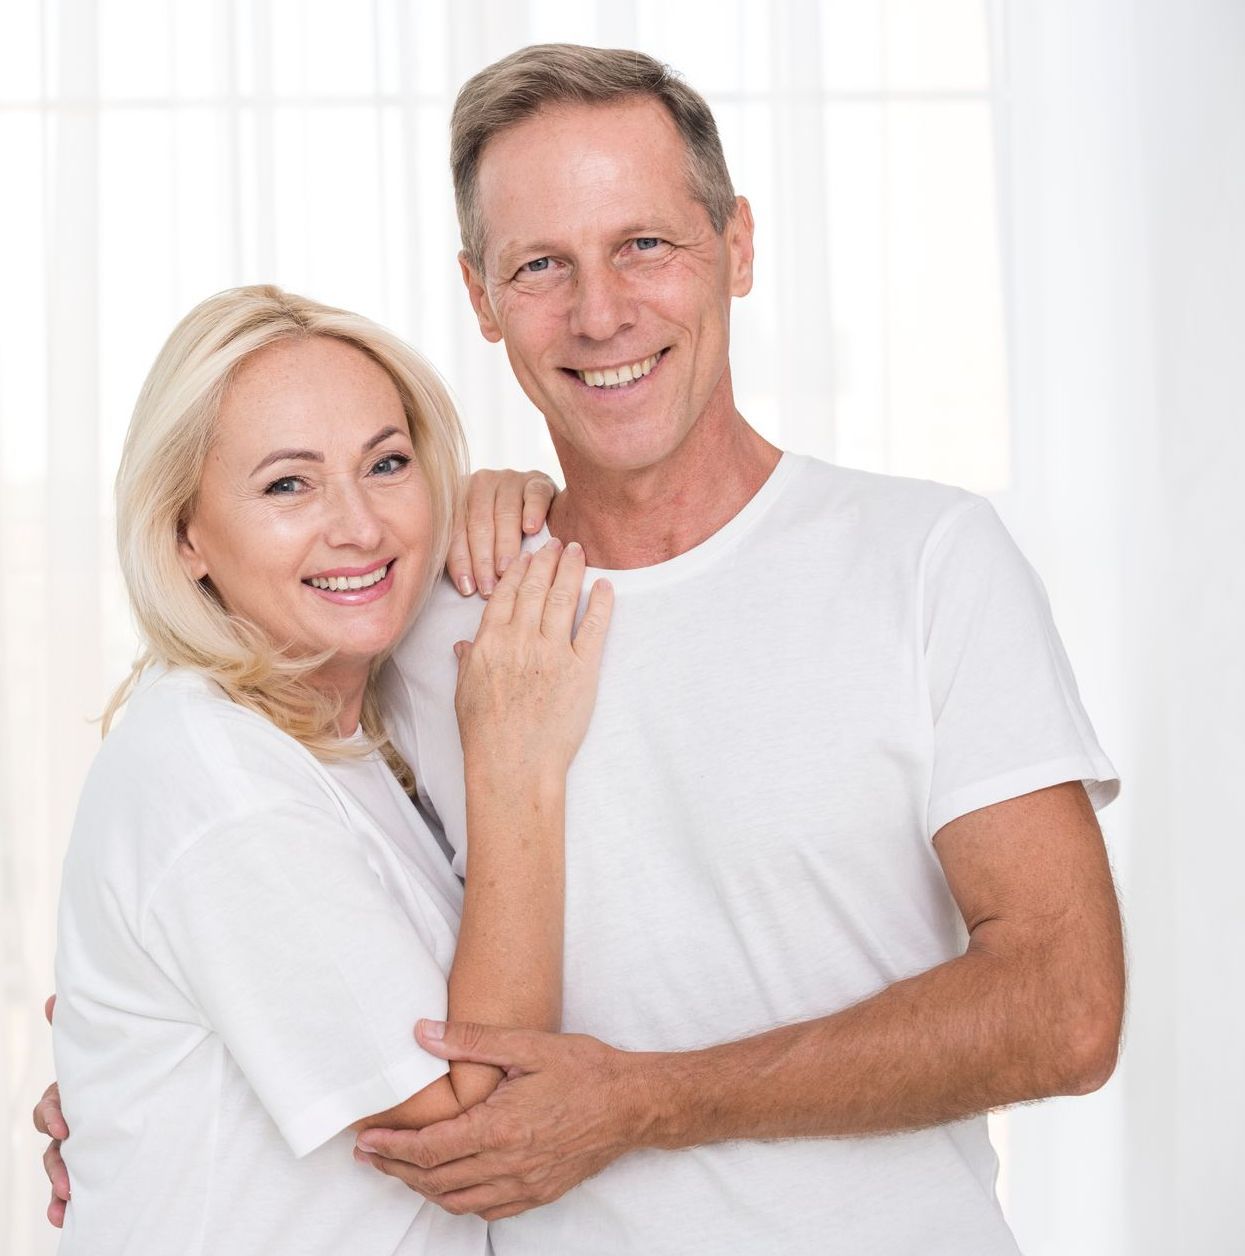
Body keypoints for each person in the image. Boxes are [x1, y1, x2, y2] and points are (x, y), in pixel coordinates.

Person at [36, 42, 1126, 1255]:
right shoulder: (417, 611)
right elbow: (272, 929)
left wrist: (651, 1101)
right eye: (541, 264)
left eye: (645, 244)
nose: (601, 313)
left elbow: (1066, 1007)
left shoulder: (925, 560)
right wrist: (142, 1075)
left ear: (739, 245)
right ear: (481, 295)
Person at [43, 283, 611, 1254]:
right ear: (184, 534)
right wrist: (516, 769)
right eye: (287, 485)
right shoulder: (221, 780)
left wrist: (509, 505)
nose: (360, 526)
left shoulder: (344, 736)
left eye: (387, 464)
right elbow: (477, 1134)